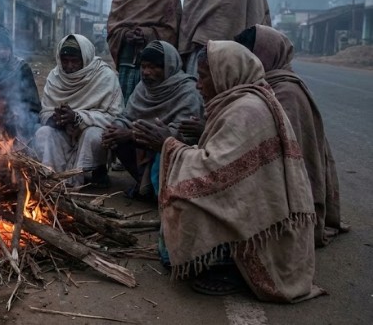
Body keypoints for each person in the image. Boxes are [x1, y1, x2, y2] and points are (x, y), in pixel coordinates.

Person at [135, 40, 323, 303]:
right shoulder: (240, 99)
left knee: (187, 197)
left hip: (262, 218)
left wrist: (167, 143)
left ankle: (227, 266)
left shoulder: (246, 110)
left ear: (225, 74)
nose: (198, 85)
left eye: (203, 77)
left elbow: (215, 174)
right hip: (259, 203)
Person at [235, 24, 345, 247]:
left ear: (267, 55)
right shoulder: (258, 84)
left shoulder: (287, 92)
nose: (246, 63)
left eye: (251, 56)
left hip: (290, 186)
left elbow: (281, 150)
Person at [102, 40, 203, 198]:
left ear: (168, 66)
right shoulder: (142, 88)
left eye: (153, 67)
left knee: (160, 149)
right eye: (143, 66)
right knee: (116, 139)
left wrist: (131, 134)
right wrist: (115, 128)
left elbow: (184, 135)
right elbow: (127, 116)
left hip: (176, 151)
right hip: (145, 143)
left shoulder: (187, 91)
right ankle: (143, 183)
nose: (146, 72)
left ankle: (165, 191)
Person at [34, 34, 123, 187]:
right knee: (43, 133)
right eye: (65, 61)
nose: (69, 66)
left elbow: (115, 116)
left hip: (90, 133)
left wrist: (78, 117)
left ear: (85, 58)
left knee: (93, 135)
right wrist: (57, 119)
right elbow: (45, 112)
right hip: (64, 134)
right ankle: (52, 176)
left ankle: (93, 171)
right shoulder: (55, 77)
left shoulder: (105, 76)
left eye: (75, 61)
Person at [106, 0, 182, 102]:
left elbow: (173, 27)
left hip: (156, 62)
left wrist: (148, 34)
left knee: (152, 105)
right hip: (126, 60)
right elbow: (113, 26)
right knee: (125, 105)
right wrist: (125, 34)